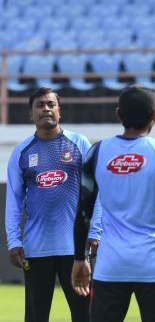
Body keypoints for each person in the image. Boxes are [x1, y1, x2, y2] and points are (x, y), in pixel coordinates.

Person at [70, 85, 155, 322]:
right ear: (154, 115)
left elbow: (84, 211)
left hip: (110, 267)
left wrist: (79, 259)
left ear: (118, 115)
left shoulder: (97, 152)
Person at [5, 87, 102, 322]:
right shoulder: (21, 151)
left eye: (51, 104)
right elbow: (14, 200)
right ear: (31, 114)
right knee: (36, 317)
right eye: (39, 105)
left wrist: (96, 230)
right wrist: (13, 240)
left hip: (76, 248)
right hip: (36, 248)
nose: (46, 109)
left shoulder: (79, 143)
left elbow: (96, 193)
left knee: (84, 315)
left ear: (59, 111)